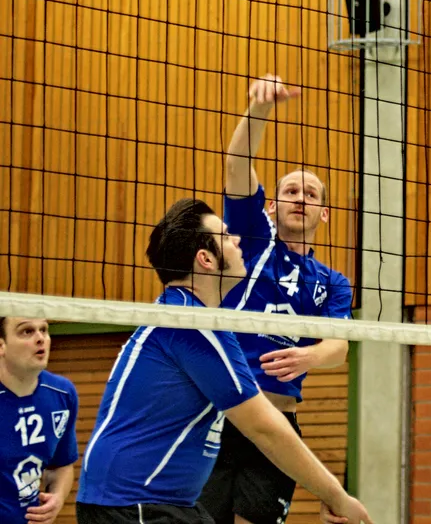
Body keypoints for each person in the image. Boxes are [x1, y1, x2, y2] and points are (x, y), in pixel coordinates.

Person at [75, 199, 370, 524]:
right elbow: (265, 429)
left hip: (158, 503)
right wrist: (337, 496)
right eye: (226, 237)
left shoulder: (191, 315)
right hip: (135, 506)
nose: (237, 241)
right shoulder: (192, 327)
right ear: (206, 259)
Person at [200, 75, 352, 524]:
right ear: (272, 206)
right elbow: (236, 165)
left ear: (324, 213)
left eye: (310, 194)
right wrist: (259, 108)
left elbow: (339, 346)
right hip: (223, 414)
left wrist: (309, 357)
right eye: (290, 191)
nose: (300, 198)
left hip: (280, 423)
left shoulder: (333, 282)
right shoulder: (251, 237)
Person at [0, 317, 78, 524]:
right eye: (26, 332)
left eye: (44, 330)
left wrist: (58, 498)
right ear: (1, 345)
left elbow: (61, 465)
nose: (40, 338)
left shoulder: (62, 393)